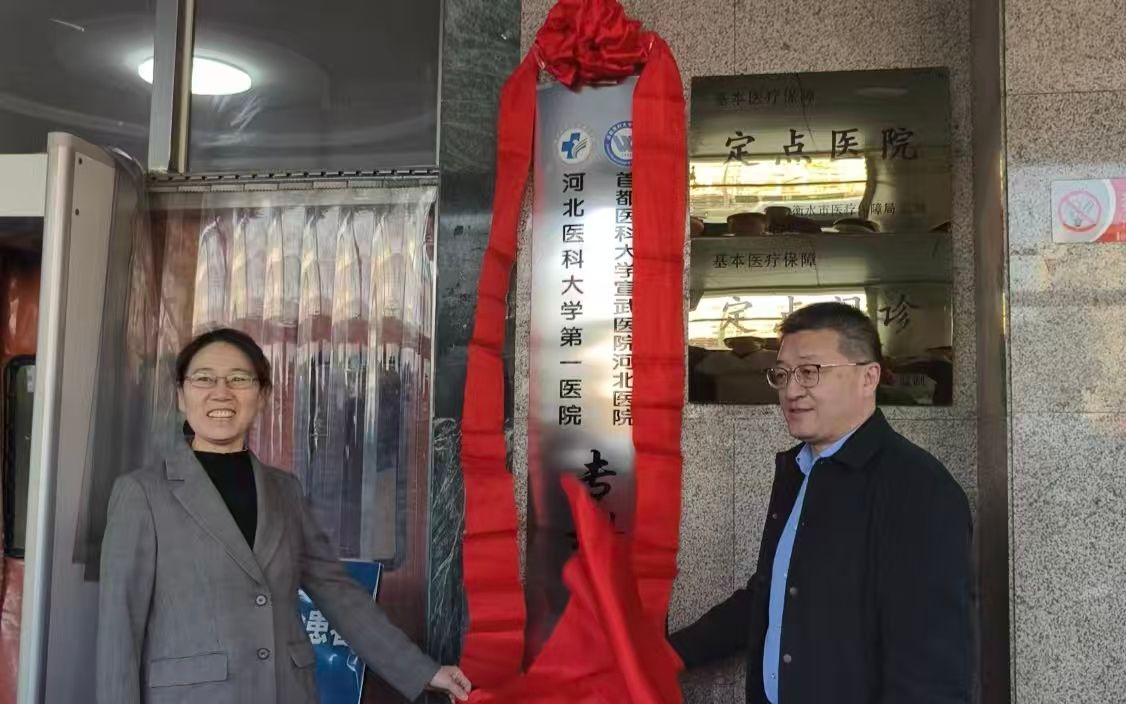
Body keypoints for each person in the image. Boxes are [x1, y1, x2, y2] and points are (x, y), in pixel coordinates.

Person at [97, 328, 471, 704]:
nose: (221, 392)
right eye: (204, 379)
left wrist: (423, 671)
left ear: (262, 395)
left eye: (239, 379)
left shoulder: (284, 490)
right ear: (181, 395)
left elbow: (338, 593)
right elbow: (119, 629)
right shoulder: (143, 493)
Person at [670, 302, 973, 704]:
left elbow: (932, 669)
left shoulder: (919, 490)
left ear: (868, 377)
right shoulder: (800, 471)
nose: (792, 391)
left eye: (810, 371)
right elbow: (774, 591)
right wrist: (673, 652)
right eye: (782, 374)